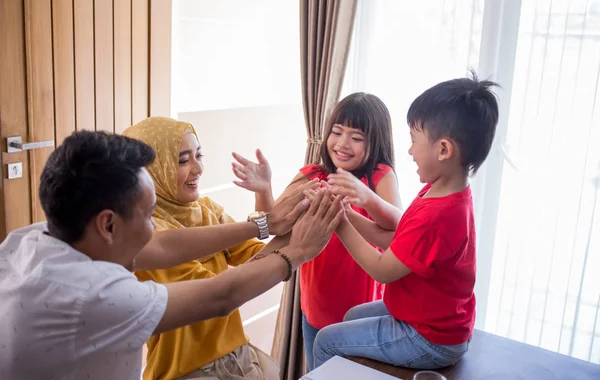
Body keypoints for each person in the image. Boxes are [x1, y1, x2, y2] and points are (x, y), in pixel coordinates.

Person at [0, 130, 343, 380]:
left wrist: (264, 224)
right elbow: (220, 295)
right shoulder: (95, 296)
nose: (154, 228)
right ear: (108, 225)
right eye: (148, 216)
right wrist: (298, 250)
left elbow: (162, 247)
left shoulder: (34, 238)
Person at [310, 73, 500, 369]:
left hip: (429, 337)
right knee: (351, 318)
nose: (409, 151)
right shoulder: (440, 191)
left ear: (444, 149)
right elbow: (397, 241)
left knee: (326, 341)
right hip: (427, 315)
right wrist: (345, 212)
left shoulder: (437, 215)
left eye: (414, 141)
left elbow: (382, 270)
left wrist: (339, 224)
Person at [232, 92, 403, 370]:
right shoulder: (313, 174)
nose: (342, 144)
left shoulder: (379, 177)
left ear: (376, 142)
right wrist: (264, 189)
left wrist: (362, 200)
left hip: (359, 314)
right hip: (314, 306)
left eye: (356, 137)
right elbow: (274, 222)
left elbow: (399, 232)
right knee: (318, 373)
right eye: (337, 132)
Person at [123, 117, 284, 380]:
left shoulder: (206, 209)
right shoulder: (147, 233)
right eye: (183, 160)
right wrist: (294, 243)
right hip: (188, 370)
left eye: (199, 155)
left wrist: (264, 192)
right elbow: (220, 291)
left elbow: (260, 254)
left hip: (236, 356)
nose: (198, 168)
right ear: (153, 169)